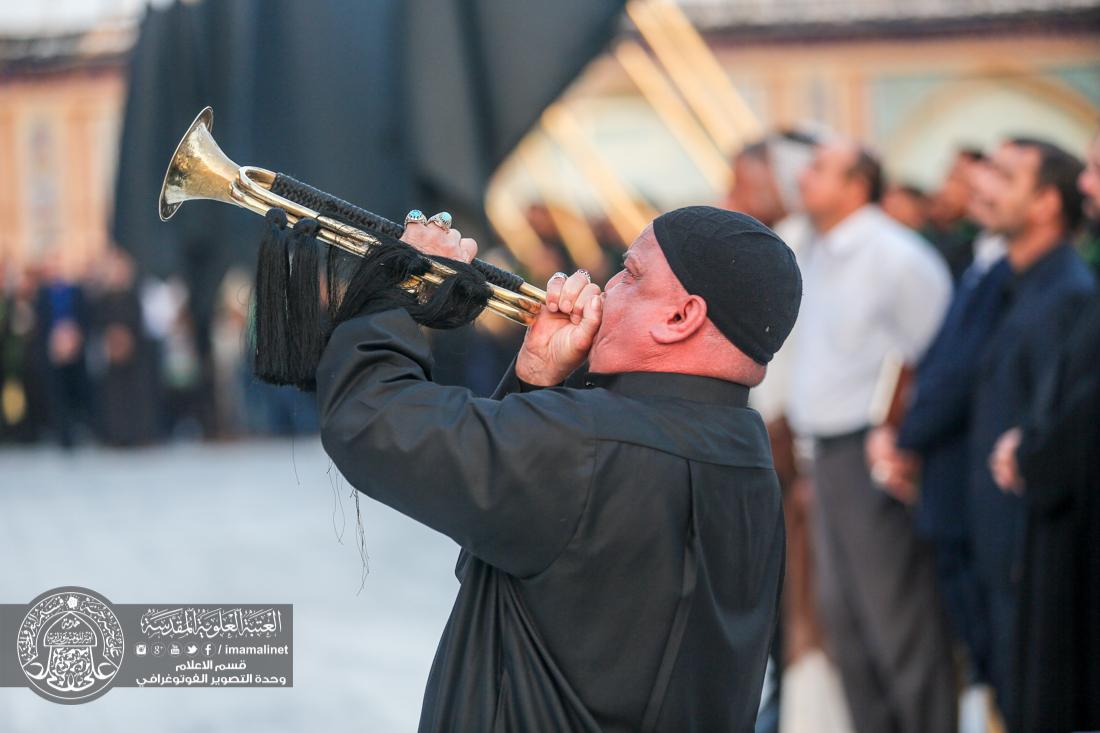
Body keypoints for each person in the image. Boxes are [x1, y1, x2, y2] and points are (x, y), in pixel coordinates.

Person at [315, 206, 802, 732]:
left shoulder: (587, 443)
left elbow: (369, 420)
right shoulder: (749, 458)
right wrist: (536, 380)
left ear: (680, 317)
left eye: (630, 275)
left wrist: (407, 282)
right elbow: (505, 559)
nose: (601, 287)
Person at [788, 139, 955, 733]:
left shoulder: (896, 257)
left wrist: (903, 444)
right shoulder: (813, 249)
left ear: (857, 186)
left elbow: (936, 359)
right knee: (845, 619)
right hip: (825, 454)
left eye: (819, 169)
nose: (802, 178)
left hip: (874, 452)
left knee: (896, 620)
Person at [865, 145, 1010, 709]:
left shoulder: (1022, 273)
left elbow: (961, 372)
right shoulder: (974, 259)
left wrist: (906, 437)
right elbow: (930, 362)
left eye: (990, 175)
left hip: (981, 473)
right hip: (948, 472)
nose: (965, 187)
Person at [965, 137, 1094, 730]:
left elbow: (1066, 419)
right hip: (1007, 524)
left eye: (1005, 175)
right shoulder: (1006, 278)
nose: (1088, 186)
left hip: (1034, 526)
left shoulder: (1067, 292)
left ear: (1045, 202)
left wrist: (1031, 454)